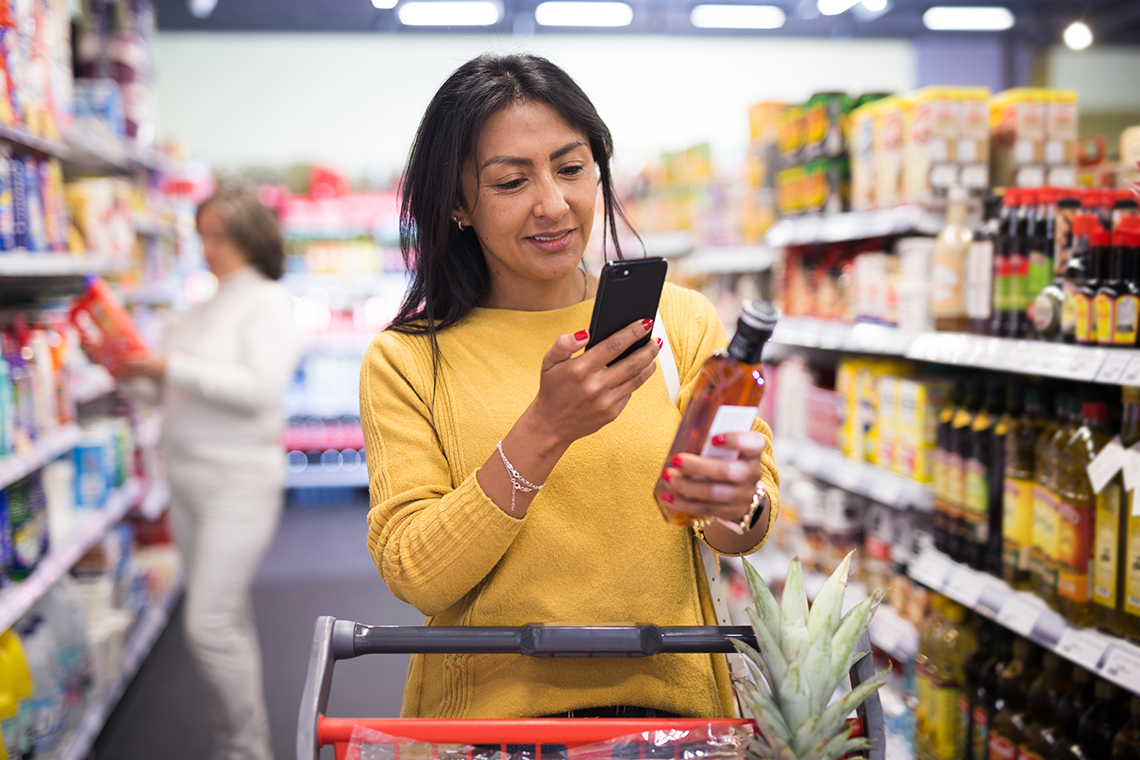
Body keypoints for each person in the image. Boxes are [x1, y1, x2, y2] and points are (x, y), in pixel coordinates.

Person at [360, 54, 780, 721]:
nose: (553, 205)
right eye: (511, 181)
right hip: (493, 730)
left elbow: (740, 526)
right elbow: (417, 573)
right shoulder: (409, 361)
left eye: (571, 167)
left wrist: (738, 502)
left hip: (671, 716)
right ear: (460, 204)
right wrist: (545, 428)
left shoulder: (681, 320)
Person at [121, 187, 301, 760]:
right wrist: (123, 366)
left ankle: (245, 749)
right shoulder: (196, 309)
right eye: (201, 234)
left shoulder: (269, 303)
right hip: (187, 480)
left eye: (218, 233)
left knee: (207, 624)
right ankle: (241, 744)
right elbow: (160, 391)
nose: (208, 246)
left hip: (238, 484)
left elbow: (259, 391)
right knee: (224, 616)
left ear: (249, 234)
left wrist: (172, 365)